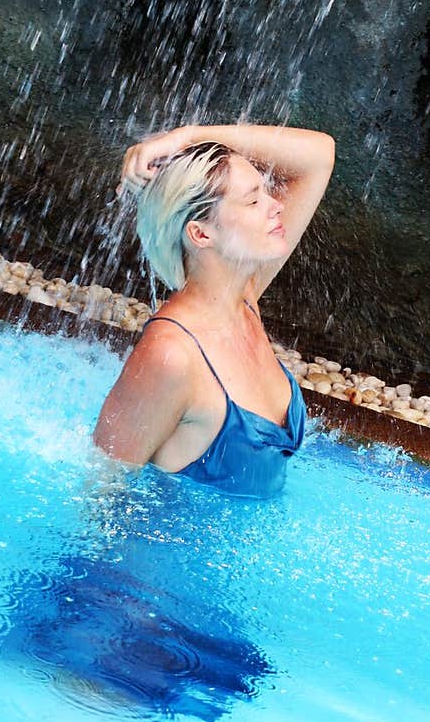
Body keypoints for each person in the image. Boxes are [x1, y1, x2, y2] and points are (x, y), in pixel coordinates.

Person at [92, 124, 335, 497]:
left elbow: (319, 156)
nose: (276, 205)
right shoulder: (171, 355)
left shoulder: (244, 299)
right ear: (201, 234)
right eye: (253, 201)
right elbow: (103, 488)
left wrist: (188, 136)